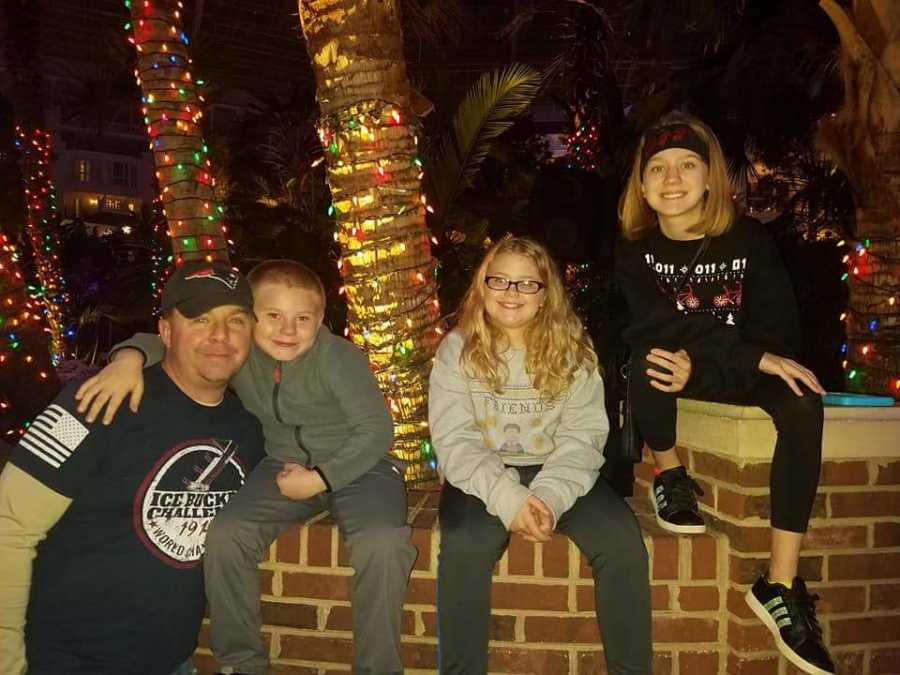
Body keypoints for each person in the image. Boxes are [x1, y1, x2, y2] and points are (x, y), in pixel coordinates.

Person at [75, 259, 416, 675]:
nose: (287, 331)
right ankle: (241, 663)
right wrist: (127, 358)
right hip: (282, 464)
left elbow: (376, 430)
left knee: (382, 542)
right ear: (251, 318)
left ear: (321, 319)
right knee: (226, 534)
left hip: (362, 467)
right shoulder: (242, 353)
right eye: (273, 316)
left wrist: (320, 479)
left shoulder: (339, 358)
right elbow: (164, 339)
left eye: (302, 318)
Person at [615, 111, 833, 675]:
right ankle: (669, 473)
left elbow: (777, 335)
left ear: (711, 176)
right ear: (641, 186)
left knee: (803, 400)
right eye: (656, 168)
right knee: (650, 361)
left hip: (738, 370)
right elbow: (652, 328)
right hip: (689, 366)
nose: (671, 178)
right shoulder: (636, 251)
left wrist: (724, 359)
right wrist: (716, 353)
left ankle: (779, 583)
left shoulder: (749, 240)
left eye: (688, 164)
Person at [0, 261, 265, 675]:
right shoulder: (94, 403)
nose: (220, 336)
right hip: (69, 662)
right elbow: (9, 527)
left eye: (236, 320)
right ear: (165, 331)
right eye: (199, 319)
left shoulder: (245, 430)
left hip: (174, 660)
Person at [429, 236, 652, 675]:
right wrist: (509, 500)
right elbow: (455, 440)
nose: (511, 293)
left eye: (527, 284)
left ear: (547, 292)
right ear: (482, 286)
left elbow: (583, 437)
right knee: (464, 546)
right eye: (500, 280)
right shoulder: (456, 349)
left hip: (561, 471)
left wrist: (548, 496)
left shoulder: (574, 351)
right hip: (482, 475)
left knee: (623, 543)